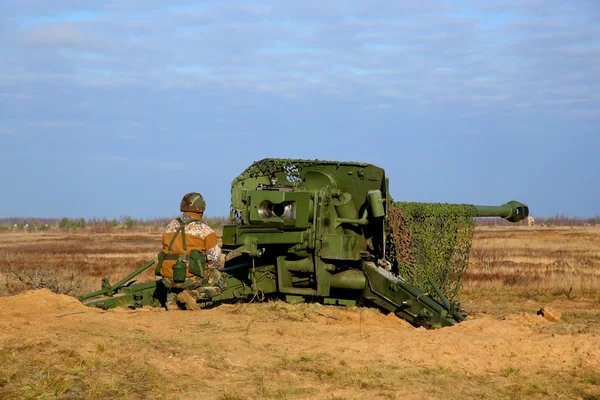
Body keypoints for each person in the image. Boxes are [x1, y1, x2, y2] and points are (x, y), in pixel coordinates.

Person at [157, 192, 225, 310]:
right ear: (201, 208)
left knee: (175, 275)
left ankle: (171, 301)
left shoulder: (169, 226)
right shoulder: (205, 230)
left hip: (167, 278)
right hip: (190, 279)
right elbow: (214, 261)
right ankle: (191, 294)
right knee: (220, 282)